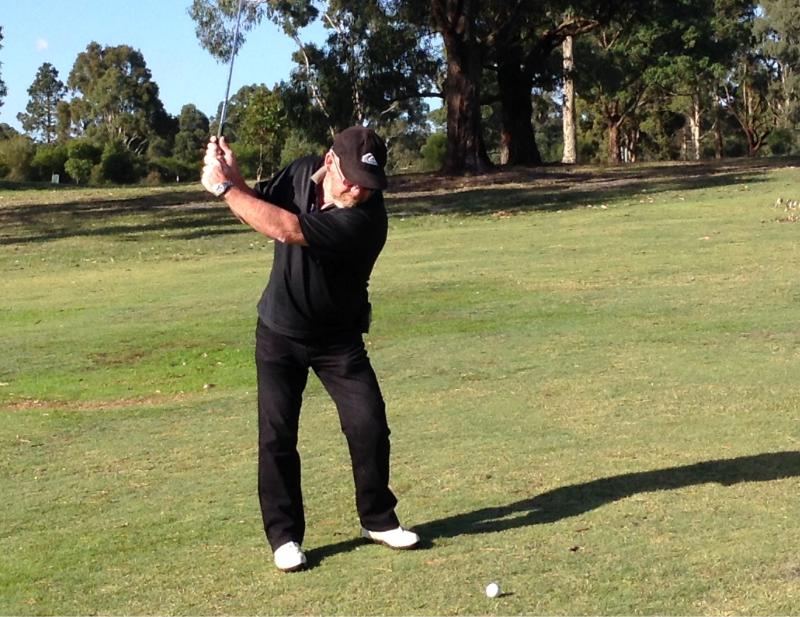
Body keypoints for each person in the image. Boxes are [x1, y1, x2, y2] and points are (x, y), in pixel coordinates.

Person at [200, 126, 419, 572]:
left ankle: (377, 519)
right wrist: (231, 174)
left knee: (369, 425)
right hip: (278, 332)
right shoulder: (301, 172)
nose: (359, 190)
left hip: (338, 340)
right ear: (330, 161)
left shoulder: (367, 220)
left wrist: (222, 188)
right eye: (353, 179)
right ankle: (284, 537)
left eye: (369, 183)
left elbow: (285, 229)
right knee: (277, 436)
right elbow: (257, 207)